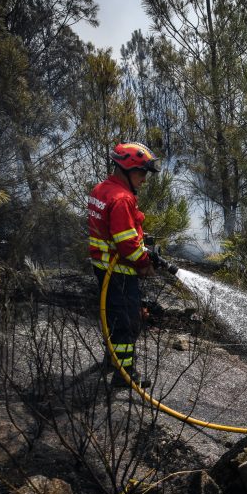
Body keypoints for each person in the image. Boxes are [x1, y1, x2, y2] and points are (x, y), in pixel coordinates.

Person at [87, 142, 160, 388]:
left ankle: (112, 360)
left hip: (103, 267)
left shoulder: (102, 189)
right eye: (142, 173)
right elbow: (127, 244)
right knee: (128, 322)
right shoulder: (122, 199)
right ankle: (124, 374)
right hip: (119, 272)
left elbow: (115, 230)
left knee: (114, 317)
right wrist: (145, 262)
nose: (144, 179)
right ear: (127, 169)